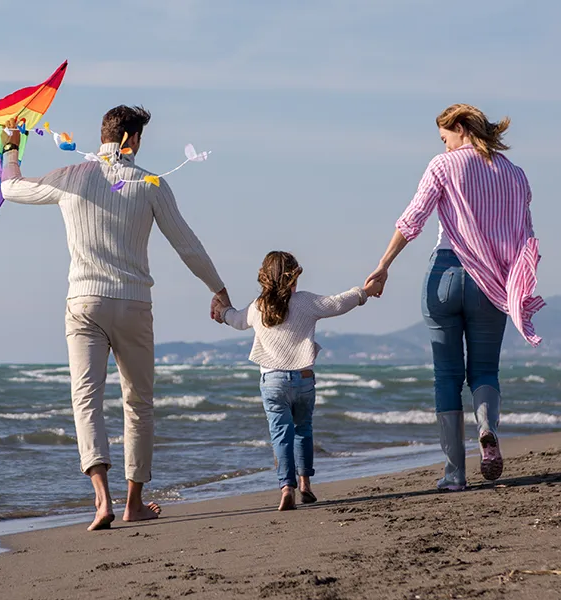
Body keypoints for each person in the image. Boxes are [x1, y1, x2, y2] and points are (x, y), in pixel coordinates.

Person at [0, 106, 230, 530]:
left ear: (104, 135)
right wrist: (218, 288)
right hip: (134, 303)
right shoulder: (150, 183)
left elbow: (11, 187)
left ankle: (102, 500)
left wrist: (11, 147)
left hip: (84, 302)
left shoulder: (71, 176)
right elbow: (187, 245)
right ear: (134, 140)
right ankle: (134, 502)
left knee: (86, 399)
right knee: (138, 403)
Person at [365, 104, 544, 491]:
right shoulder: (515, 174)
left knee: (446, 376)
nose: (444, 147)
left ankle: (454, 475)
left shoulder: (443, 166)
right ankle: (486, 430)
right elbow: (525, 233)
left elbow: (412, 219)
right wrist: (518, 283)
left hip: (444, 275)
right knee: (484, 371)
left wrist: (383, 265)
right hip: (491, 282)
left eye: (445, 138)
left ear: (460, 128)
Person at [213, 251, 381, 510]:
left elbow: (236, 320)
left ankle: (286, 487)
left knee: (281, 434)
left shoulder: (258, 306)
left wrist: (222, 311)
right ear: (293, 277)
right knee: (303, 430)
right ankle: (305, 485)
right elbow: (338, 303)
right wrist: (365, 292)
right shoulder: (304, 302)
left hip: (272, 381)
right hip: (303, 379)